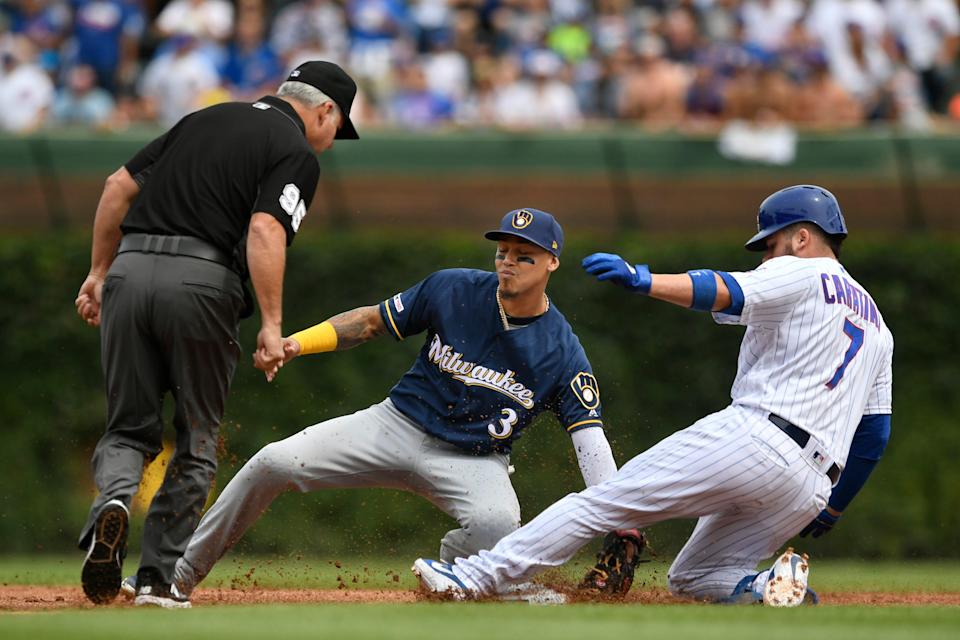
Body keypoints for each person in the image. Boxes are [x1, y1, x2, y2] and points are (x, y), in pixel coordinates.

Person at [414, 185, 894, 607]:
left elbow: (723, 289)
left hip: (757, 437)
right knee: (696, 577)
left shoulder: (803, 272)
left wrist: (645, 281)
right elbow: (873, 433)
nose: (766, 256)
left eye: (770, 244)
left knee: (600, 503)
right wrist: (833, 505)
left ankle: (473, 577)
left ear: (802, 237)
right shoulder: (878, 326)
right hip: (812, 484)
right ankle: (765, 586)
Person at [119, 208, 620, 604]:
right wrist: (298, 343)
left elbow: (589, 440)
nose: (508, 261)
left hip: (473, 460)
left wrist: (619, 518)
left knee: (498, 524)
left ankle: (453, 574)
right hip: (393, 425)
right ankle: (175, 578)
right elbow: (370, 322)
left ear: (552, 263)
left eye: (524, 255)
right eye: (504, 251)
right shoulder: (453, 288)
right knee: (272, 461)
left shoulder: (563, 352)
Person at [74, 60, 360, 609]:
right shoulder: (295, 151)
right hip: (201, 282)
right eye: (336, 127)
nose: (330, 141)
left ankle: (112, 501)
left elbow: (117, 187)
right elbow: (264, 227)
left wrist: (98, 272)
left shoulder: (202, 119)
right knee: (197, 438)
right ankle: (157, 580)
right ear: (325, 109)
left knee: (128, 428)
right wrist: (272, 327)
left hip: (129, 274)